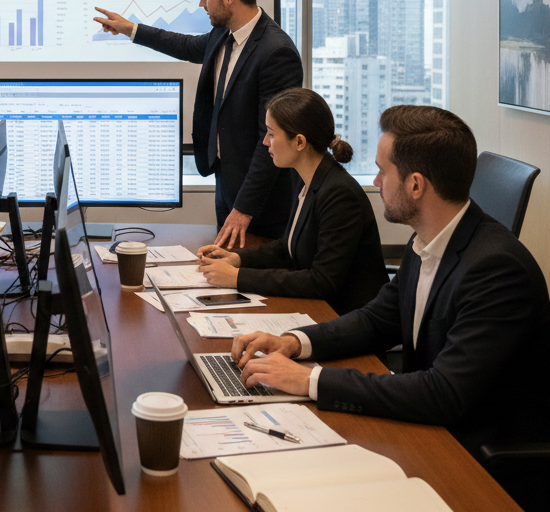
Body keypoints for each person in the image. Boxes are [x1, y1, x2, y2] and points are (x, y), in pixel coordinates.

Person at [230, 105, 550, 459]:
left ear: (415, 185)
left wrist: (309, 380)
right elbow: (378, 319)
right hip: (426, 429)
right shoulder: (427, 237)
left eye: (383, 171)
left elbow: (443, 394)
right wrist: (293, 343)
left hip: (478, 457)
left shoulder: (497, 270)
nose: (375, 182)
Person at [95, 0, 302, 246]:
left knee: (258, 283)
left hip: (262, 205)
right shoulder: (224, 33)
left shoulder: (276, 53)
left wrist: (244, 209)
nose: (202, 3)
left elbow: (268, 141)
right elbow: (187, 46)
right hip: (226, 184)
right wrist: (130, 29)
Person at [196, 88, 387, 315]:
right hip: (318, 309)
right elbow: (288, 247)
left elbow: (321, 281)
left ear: (299, 142)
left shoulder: (339, 194)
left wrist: (238, 277)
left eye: (271, 134)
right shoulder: (304, 176)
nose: (266, 142)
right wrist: (236, 259)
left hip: (344, 318)